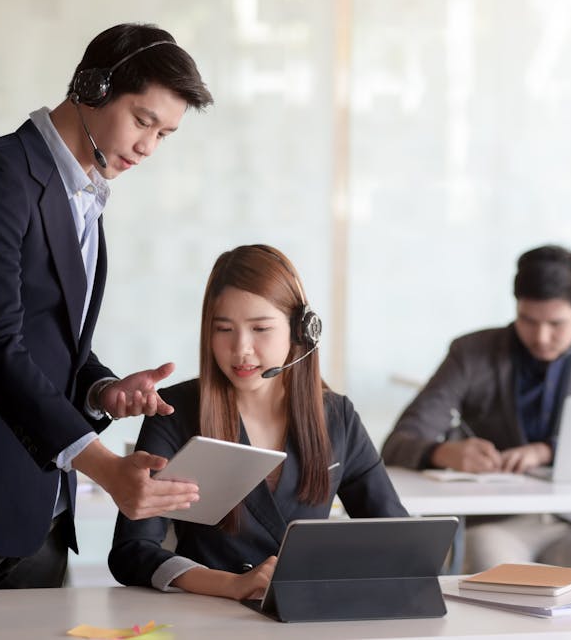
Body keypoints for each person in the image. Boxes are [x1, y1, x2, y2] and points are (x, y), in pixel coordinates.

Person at [0, 23, 212, 639]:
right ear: (92, 86)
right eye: (142, 121)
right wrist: (107, 468)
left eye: (165, 134)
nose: (148, 148)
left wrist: (102, 390)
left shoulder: (83, 195)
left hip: (37, 511)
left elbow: (48, 339)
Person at [109, 244, 408, 600]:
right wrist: (229, 585)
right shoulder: (176, 410)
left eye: (260, 329)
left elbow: (396, 536)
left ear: (302, 332)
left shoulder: (336, 416)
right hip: (205, 613)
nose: (241, 349)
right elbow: (132, 550)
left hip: (306, 613)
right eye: (224, 330)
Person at [381, 245, 571, 573]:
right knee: (494, 572)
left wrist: (545, 451)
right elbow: (397, 443)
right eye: (527, 320)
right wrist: (442, 453)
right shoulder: (472, 352)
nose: (541, 336)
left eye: (556, 323)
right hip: (496, 521)